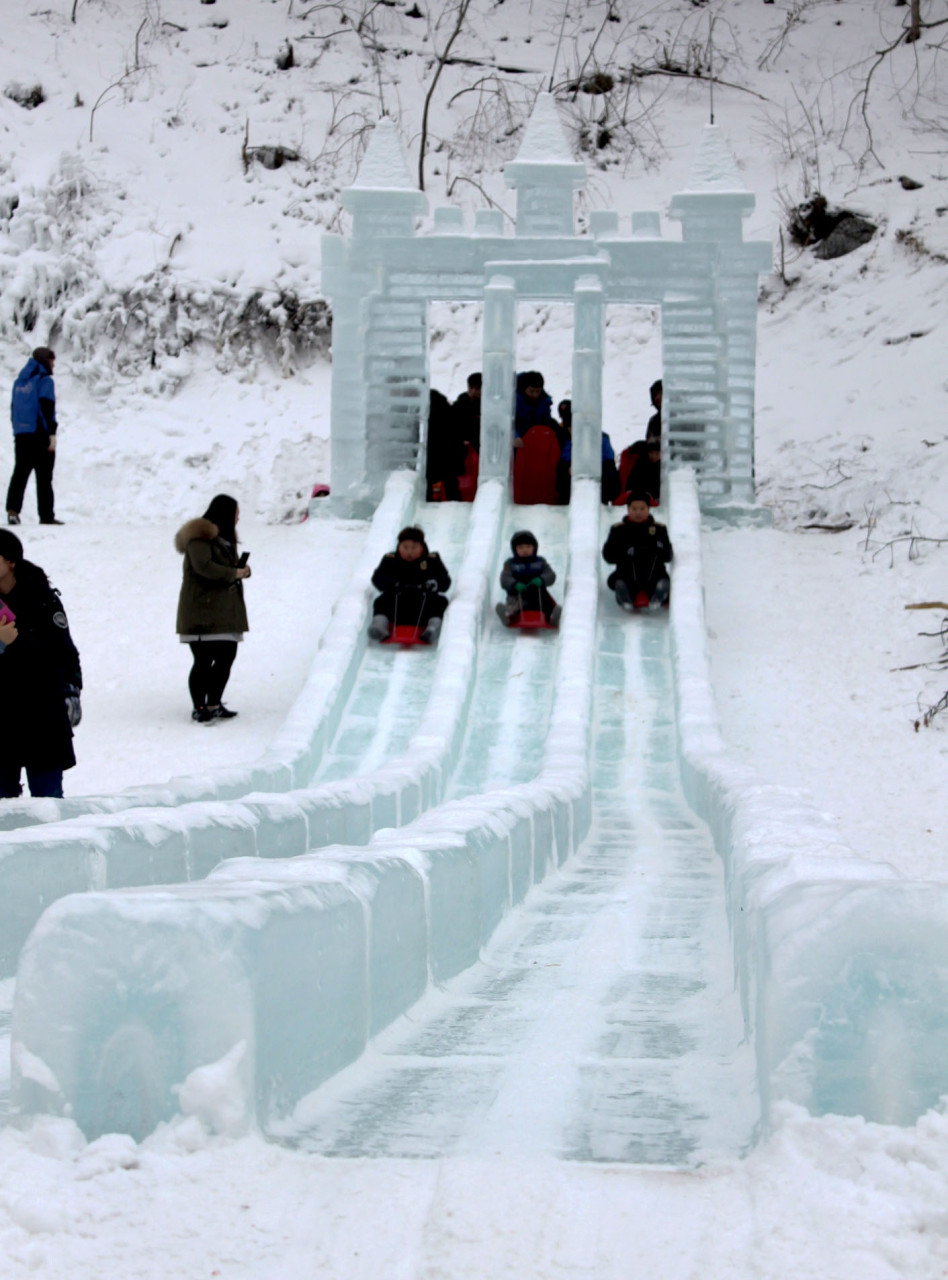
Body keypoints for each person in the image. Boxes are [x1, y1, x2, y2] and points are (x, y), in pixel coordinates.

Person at [0, 529, 82, 798]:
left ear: (10, 562)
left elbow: (64, 651)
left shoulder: (42, 598)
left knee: (48, 809)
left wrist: (71, 690)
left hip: (42, 716)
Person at [175, 494, 251, 723]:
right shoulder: (200, 538)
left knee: (227, 656)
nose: (238, 518)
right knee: (203, 660)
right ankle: (200, 707)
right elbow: (204, 567)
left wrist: (241, 570)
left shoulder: (224, 538)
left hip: (224, 611)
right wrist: (233, 573)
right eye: (236, 513)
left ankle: (214, 703)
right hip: (202, 611)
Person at [7, 347, 62, 526]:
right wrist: (51, 433)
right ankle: (46, 516)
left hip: (22, 435)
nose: (53, 364)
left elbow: (13, 408)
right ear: (45, 361)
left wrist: (17, 430)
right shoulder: (44, 381)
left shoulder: (19, 382)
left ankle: (13, 511)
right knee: (44, 477)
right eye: (52, 360)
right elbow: (47, 407)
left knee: (20, 473)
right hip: (40, 435)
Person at [368, 526, 451, 644]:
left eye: (414, 548)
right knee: (381, 601)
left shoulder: (431, 560)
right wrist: (392, 584)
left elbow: (445, 580)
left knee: (439, 602)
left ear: (422, 547)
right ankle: (379, 627)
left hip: (423, 605)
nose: (409, 552)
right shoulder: (390, 560)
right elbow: (377, 578)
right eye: (405, 547)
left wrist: (435, 584)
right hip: (398, 604)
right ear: (399, 546)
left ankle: (433, 629)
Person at [602, 492, 673, 612]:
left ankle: (660, 593)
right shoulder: (619, 530)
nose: (638, 512)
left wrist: (656, 548)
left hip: (653, 572)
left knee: (660, 578)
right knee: (619, 580)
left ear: (648, 509)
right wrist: (625, 552)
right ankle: (624, 596)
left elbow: (668, 556)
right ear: (628, 509)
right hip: (628, 572)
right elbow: (608, 556)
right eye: (634, 509)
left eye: (642, 508)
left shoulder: (658, 529)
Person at [496, 530, 561, 627]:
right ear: (515, 550)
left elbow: (551, 574)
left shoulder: (540, 562)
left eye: (528, 547)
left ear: (534, 548)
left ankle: (551, 618)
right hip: (518, 594)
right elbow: (504, 578)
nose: (525, 550)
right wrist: (514, 584)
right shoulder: (510, 564)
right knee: (513, 605)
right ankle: (507, 616)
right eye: (520, 548)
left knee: (545, 603)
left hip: (538, 593)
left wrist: (542, 579)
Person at [425, 389, 463, 501]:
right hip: (446, 450)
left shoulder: (431, 400)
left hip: (436, 448)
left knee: (430, 482)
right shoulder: (437, 399)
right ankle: (455, 505)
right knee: (450, 483)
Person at [514, 371, 557, 440]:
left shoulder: (544, 401)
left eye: (538, 391)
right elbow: (507, 423)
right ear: (524, 388)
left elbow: (547, 421)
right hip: (518, 438)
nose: (535, 394)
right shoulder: (514, 400)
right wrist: (515, 437)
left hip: (535, 437)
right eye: (532, 391)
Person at [617, 438, 662, 505]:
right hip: (640, 496)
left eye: (657, 453)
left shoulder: (661, 466)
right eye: (651, 453)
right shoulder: (641, 463)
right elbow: (632, 481)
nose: (654, 456)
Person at [452, 372, 482, 454]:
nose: (473, 391)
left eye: (477, 389)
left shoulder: (488, 406)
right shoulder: (460, 404)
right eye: (471, 388)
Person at [646, 378, 662, 442]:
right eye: (655, 394)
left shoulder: (679, 417)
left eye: (661, 393)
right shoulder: (654, 421)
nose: (657, 397)